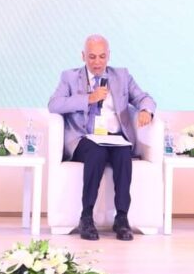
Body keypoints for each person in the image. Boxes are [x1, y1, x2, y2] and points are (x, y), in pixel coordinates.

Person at [48, 34, 156, 241]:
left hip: (115, 137)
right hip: (84, 138)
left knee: (123, 153)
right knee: (96, 152)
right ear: (83, 56)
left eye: (101, 56)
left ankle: (121, 218)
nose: (97, 62)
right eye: (92, 57)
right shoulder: (69, 77)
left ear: (108, 56)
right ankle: (86, 217)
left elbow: (144, 98)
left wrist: (146, 110)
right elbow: (54, 104)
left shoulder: (122, 76)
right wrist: (88, 98)